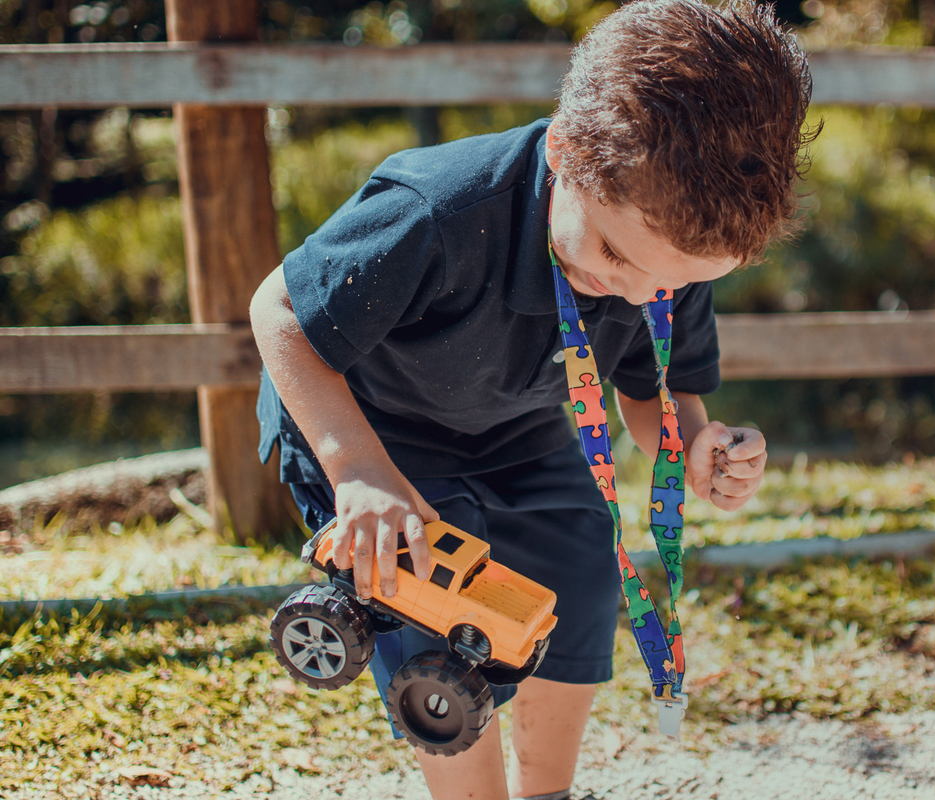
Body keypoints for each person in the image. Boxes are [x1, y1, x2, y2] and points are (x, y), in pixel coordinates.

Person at [250, 0, 817, 797]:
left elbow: (655, 397)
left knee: (582, 561)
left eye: (676, 283)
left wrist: (693, 445)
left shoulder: (667, 252)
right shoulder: (439, 213)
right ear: (565, 150)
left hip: (511, 422)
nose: (637, 291)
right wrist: (357, 473)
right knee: (432, 601)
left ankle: (547, 789)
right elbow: (277, 313)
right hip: (371, 427)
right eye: (614, 255)